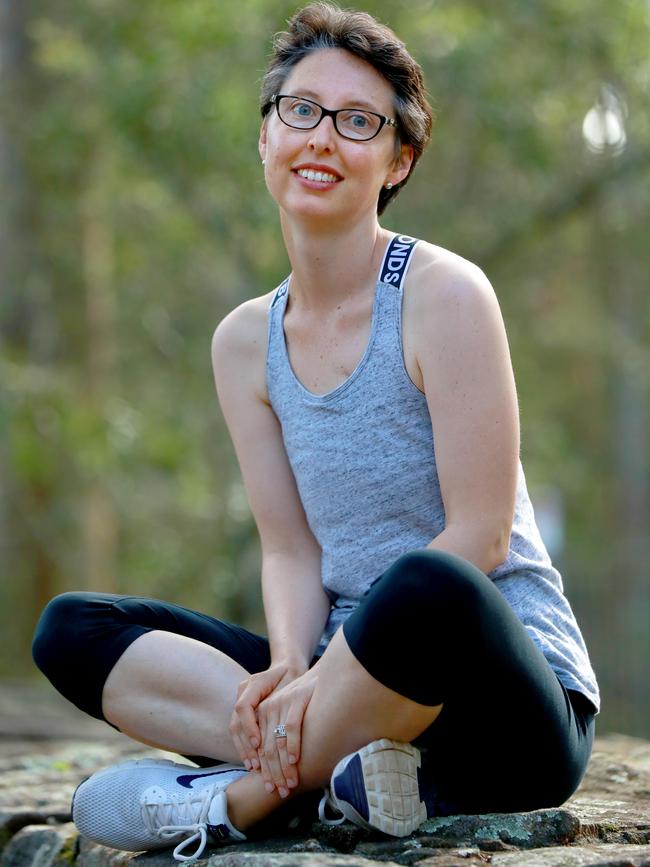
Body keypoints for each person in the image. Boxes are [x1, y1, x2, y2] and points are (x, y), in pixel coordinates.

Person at [32, 2, 600, 861]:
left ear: (397, 160)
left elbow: (479, 537)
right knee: (73, 628)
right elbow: (292, 550)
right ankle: (349, 776)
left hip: (497, 698)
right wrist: (291, 669)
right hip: (345, 678)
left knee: (425, 585)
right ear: (265, 136)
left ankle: (249, 794)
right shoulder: (242, 342)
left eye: (357, 122)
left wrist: (320, 684)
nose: (321, 138)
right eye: (300, 110)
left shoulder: (443, 296)